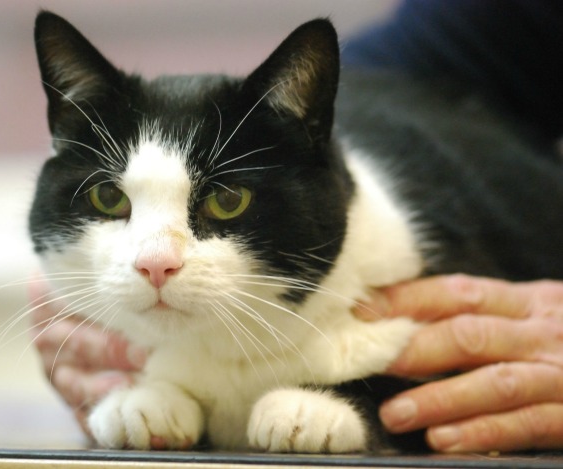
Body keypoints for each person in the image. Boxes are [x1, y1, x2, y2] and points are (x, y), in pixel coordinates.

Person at [30, 0, 563, 453]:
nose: (154, 260)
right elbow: (425, 61)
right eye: (110, 199)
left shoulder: (401, 265)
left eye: (226, 201)